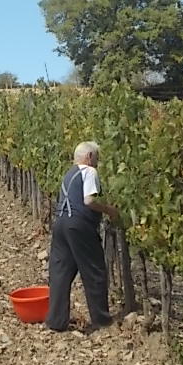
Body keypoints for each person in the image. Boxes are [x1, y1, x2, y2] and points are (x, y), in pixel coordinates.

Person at [45, 141, 119, 332]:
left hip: (60, 224)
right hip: (79, 225)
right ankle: (101, 320)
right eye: (97, 157)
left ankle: (56, 321)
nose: (98, 162)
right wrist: (109, 210)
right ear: (89, 157)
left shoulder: (68, 174)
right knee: (94, 270)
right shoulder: (90, 171)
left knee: (60, 272)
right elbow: (89, 201)